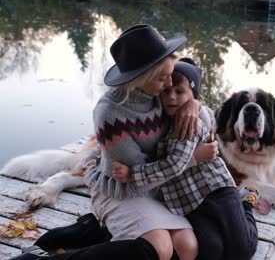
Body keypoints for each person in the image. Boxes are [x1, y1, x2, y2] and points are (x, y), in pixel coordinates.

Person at [10, 24, 214, 260]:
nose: (169, 84)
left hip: (155, 187)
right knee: (159, 249)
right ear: (142, 77)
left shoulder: (155, 92)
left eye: (170, 74)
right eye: (162, 77)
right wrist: (192, 158)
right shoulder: (110, 114)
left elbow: (201, 112)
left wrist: (194, 105)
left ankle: (91, 230)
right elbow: (137, 177)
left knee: (187, 247)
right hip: (121, 190)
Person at [111, 57, 259, 260]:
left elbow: (174, 164)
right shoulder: (159, 122)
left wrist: (132, 174)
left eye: (179, 92)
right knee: (210, 249)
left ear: (192, 96)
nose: (171, 97)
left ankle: (247, 204)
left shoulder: (191, 123)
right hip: (189, 204)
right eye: (166, 91)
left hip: (217, 192)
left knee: (242, 251)